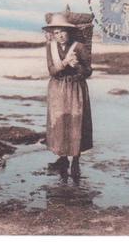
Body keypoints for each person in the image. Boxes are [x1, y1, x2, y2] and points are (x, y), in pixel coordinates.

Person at [42, 13, 93, 178]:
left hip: (75, 87)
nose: (60, 36)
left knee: (76, 121)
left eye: (63, 32)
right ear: (53, 34)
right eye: (56, 33)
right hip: (57, 88)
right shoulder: (50, 47)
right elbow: (51, 70)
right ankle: (63, 158)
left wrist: (77, 65)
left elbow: (88, 72)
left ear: (69, 32)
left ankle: (76, 160)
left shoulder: (79, 47)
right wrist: (64, 63)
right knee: (59, 121)